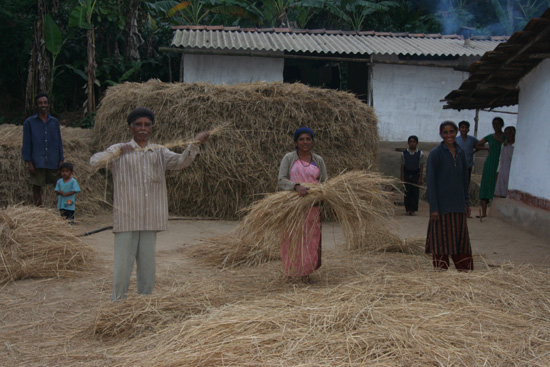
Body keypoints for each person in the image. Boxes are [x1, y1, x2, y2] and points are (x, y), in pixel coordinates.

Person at [89, 107, 210, 301]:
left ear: (152, 129)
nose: (142, 128)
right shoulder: (119, 149)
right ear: (131, 128)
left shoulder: (159, 152)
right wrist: (117, 153)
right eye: (138, 124)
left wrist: (194, 144)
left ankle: (145, 304)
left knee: (147, 264)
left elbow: (180, 162)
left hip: (150, 218)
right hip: (127, 218)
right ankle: (118, 303)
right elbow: (94, 162)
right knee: (122, 265)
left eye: (146, 125)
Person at [278, 127, 327, 282]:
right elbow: (281, 180)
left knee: (310, 239)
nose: (305, 142)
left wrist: (317, 194)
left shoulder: (318, 160)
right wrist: (296, 186)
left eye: (308, 139)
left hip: (312, 207)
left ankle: (305, 273)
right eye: (301, 139)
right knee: (291, 238)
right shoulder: (289, 158)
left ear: (312, 141)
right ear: (296, 142)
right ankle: (291, 272)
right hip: (293, 206)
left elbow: (324, 183)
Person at [425, 121, 473, 271]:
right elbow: (431, 183)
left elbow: (465, 180)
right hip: (441, 208)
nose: (449, 135)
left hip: (458, 206)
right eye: (445, 133)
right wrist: (434, 208)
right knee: (441, 243)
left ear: (456, 132)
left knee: (461, 242)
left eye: (451, 132)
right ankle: (440, 274)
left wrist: (466, 201)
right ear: (441, 134)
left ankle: (465, 272)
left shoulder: (460, 153)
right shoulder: (435, 154)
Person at [22, 93, 64, 206]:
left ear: (49, 105)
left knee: (58, 185)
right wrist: (29, 163)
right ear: (36, 106)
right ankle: (40, 211)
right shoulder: (29, 123)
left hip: (53, 159)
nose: (43, 105)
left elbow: (59, 141)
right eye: (40, 103)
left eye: (45, 103)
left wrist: (61, 159)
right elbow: (26, 144)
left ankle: (64, 210)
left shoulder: (54, 122)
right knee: (36, 187)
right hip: (37, 161)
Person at [475, 117, 505, 218]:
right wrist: (486, 148)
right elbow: (477, 145)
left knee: (497, 185)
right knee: (486, 184)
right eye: (494, 124)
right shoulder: (490, 137)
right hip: (490, 162)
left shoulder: (505, 137)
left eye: (498, 124)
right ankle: (483, 213)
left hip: (500, 162)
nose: (496, 126)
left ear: (502, 125)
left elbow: (508, 144)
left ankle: (496, 212)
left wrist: (500, 140)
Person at [400, 135, 425, 216]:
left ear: (416, 143)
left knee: (415, 192)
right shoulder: (404, 153)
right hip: (407, 174)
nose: (412, 143)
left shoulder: (420, 153)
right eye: (410, 142)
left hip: (415, 175)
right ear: (408, 143)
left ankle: (413, 210)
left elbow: (421, 165)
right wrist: (402, 176)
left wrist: (420, 177)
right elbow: (402, 165)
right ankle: (407, 209)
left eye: (414, 142)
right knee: (407, 192)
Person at [494, 126, 516, 198]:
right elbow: (501, 159)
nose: (508, 136)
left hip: (511, 173)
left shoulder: (516, 146)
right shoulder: (504, 145)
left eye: (510, 134)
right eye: (506, 134)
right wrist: (498, 172)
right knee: (499, 194)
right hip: (502, 172)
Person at [456, 120, 479, 188]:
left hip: (468, 164)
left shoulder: (472, 139)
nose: (464, 129)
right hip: (458, 164)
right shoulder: (456, 139)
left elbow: (480, 145)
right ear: (459, 129)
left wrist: (473, 152)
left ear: (468, 129)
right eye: (462, 127)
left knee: (466, 181)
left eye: (466, 128)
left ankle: (465, 195)